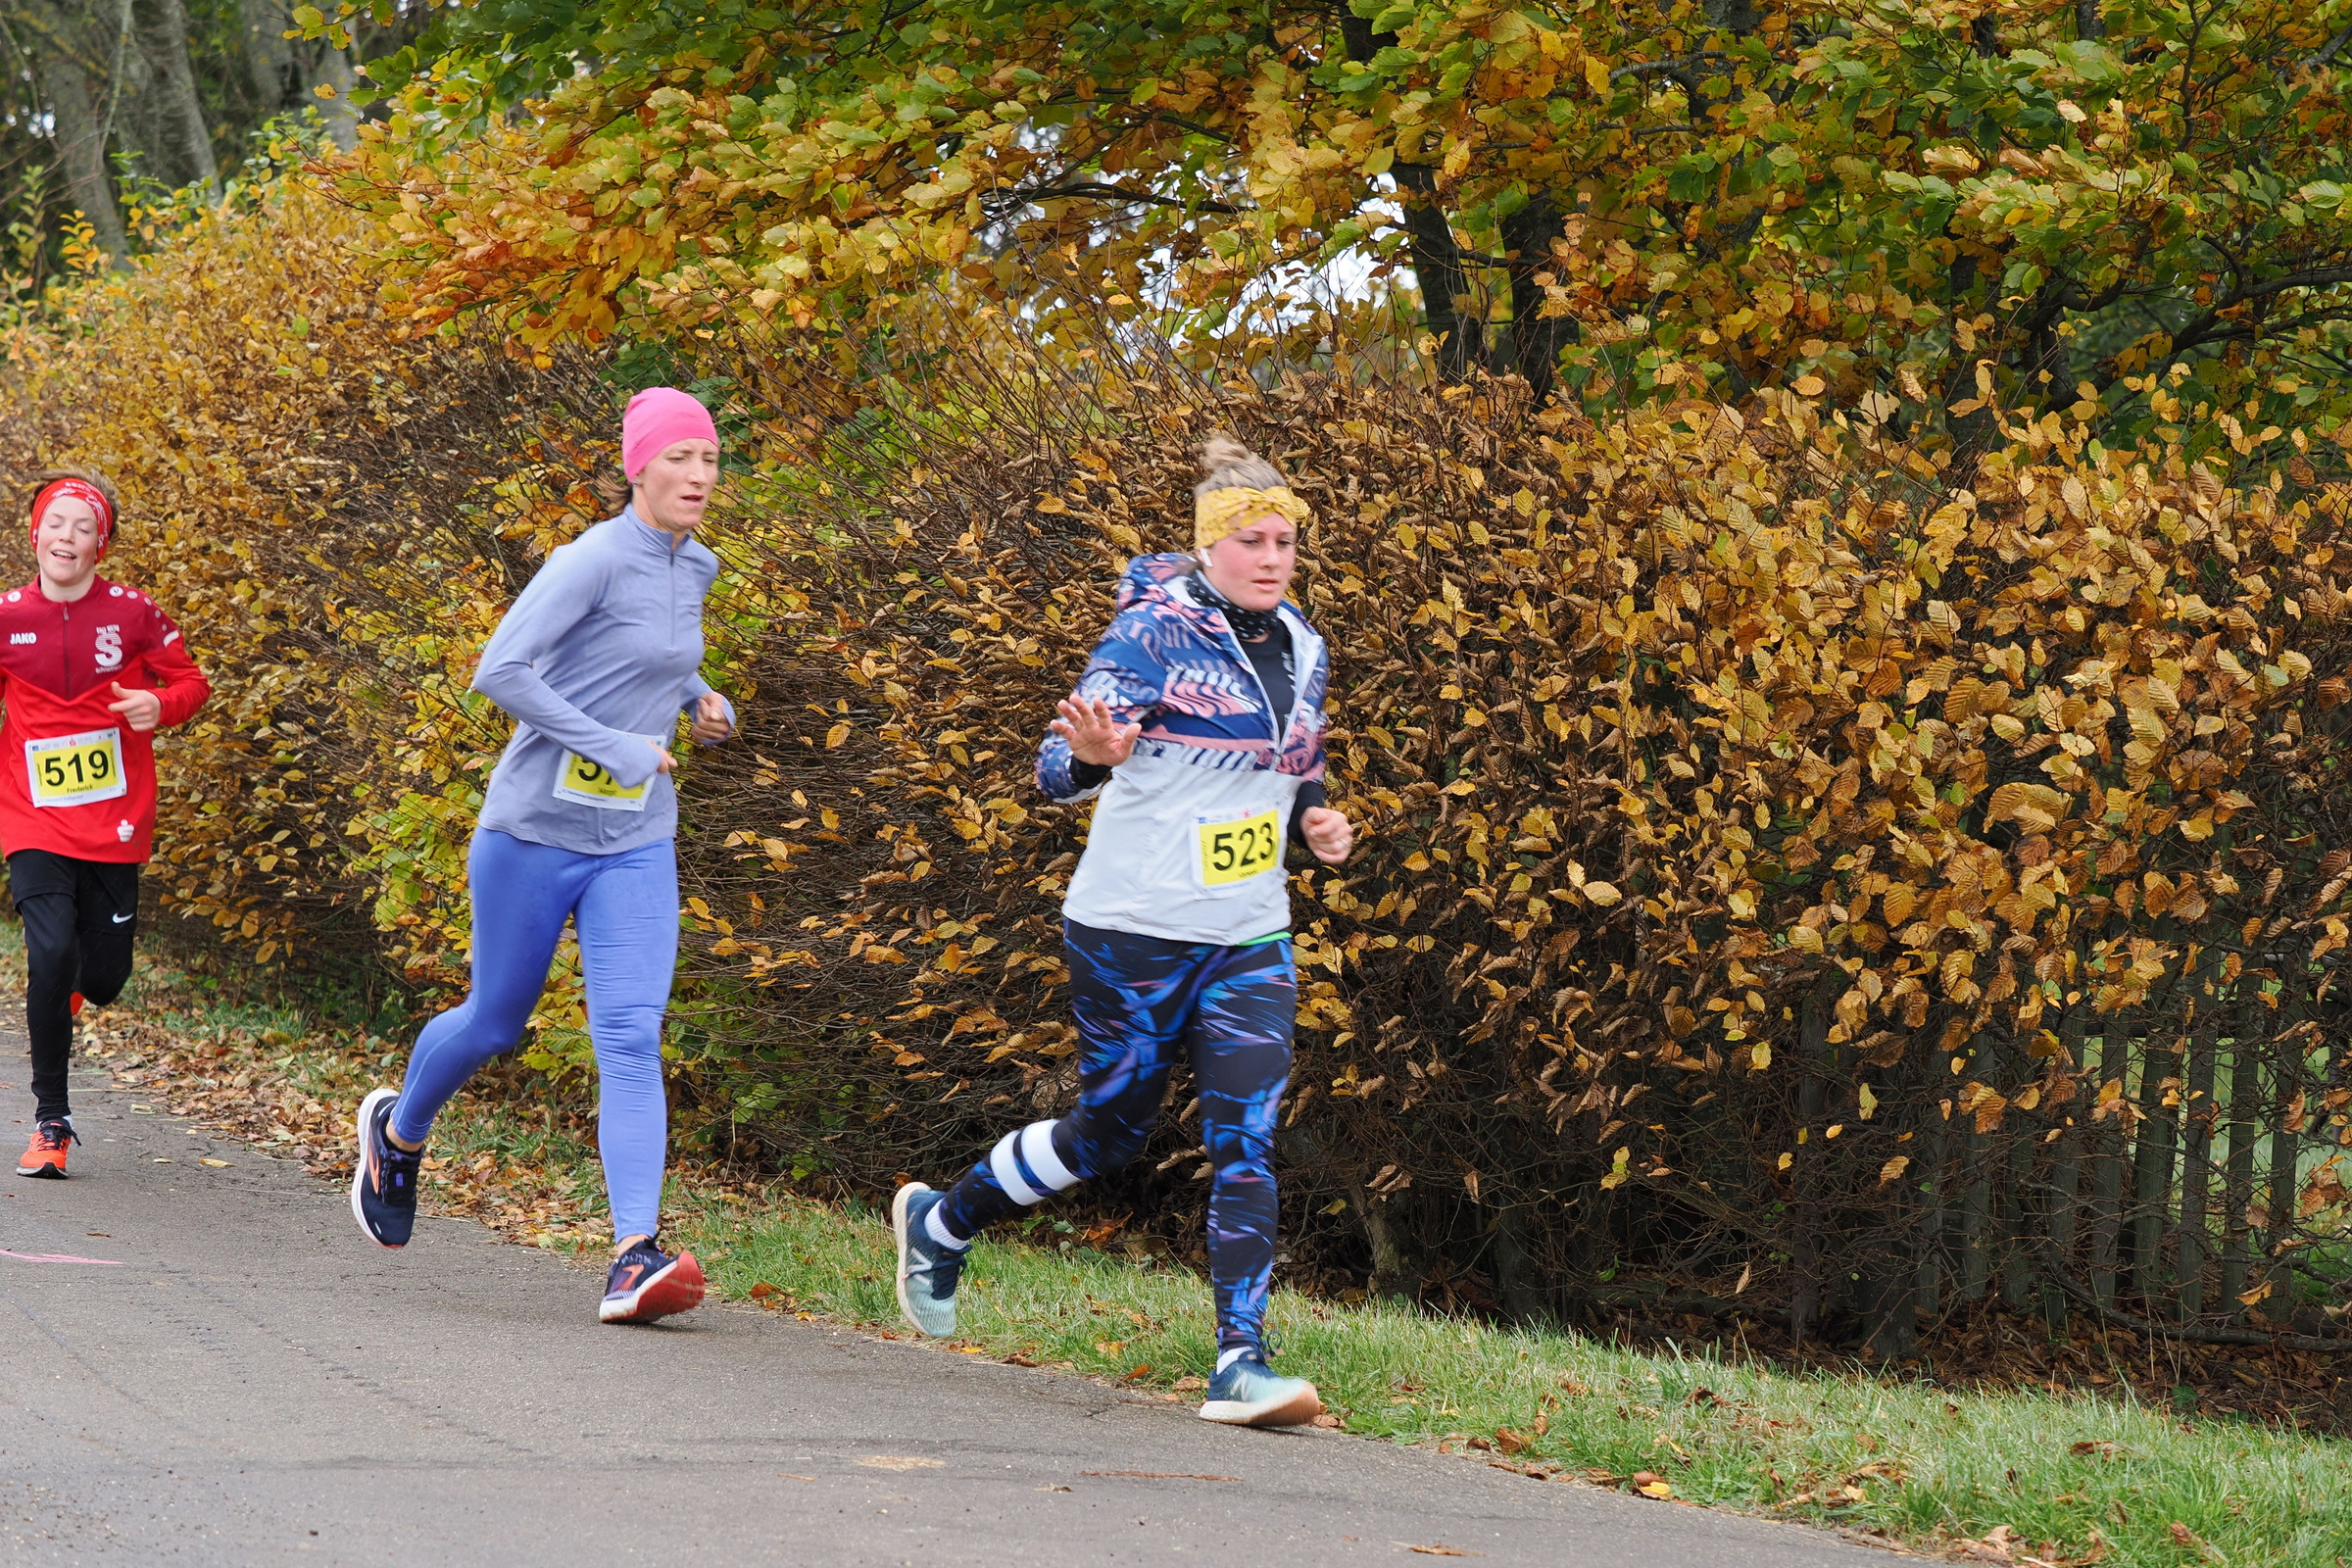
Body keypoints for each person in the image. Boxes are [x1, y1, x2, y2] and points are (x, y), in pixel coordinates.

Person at [892, 433, 1352, 1427]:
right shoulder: (1151, 635)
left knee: (1245, 1142)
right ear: (1209, 547)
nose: (1273, 558)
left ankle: (1241, 1361)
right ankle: (944, 1220)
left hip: (1248, 934)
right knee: (1108, 1133)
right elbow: (1052, 771)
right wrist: (1095, 755)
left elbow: (1296, 761)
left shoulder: (1306, 644)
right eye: (1253, 542)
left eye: (1285, 542)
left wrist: (1314, 820)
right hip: (1132, 928)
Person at [349, 387, 737, 1325]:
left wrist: (699, 696)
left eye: (710, 459)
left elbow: (651, 653)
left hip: (635, 838)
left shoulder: (698, 565)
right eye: (678, 458)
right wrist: (614, 746)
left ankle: (633, 1255)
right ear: (637, 467)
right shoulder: (589, 558)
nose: (697, 475)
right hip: (532, 831)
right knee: (494, 1023)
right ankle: (398, 1135)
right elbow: (501, 671)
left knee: (630, 1036)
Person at [5, 469, 212, 1179]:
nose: (67, 536)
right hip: (32, 816)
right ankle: (51, 1122)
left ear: (101, 545)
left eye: (84, 527)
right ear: (35, 533)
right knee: (48, 952)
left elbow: (191, 682)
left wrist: (162, 705)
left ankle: (70, 983)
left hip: (115, 822)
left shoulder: (132, 613)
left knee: (103, 980)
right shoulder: (6, 617)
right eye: (56, 523)